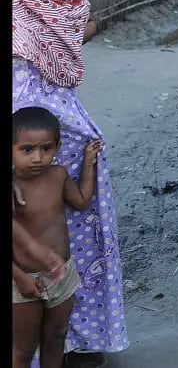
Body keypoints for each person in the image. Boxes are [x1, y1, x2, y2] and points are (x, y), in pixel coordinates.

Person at [12, 0, 128, 367]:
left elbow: (82, 30)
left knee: (79, 236)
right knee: (21, 233)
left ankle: (84, 337)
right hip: (15, 140)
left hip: (66, 134)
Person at [12, 107, 101, 368]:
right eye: (26, 150)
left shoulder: (58, 175)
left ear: (58, 147)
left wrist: (87, 164)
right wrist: (19, 278)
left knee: (56, 337)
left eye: (46, 149)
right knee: (23, 349)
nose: (38, 157)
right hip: (24, 281)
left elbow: (82, 201)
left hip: (63, 276)